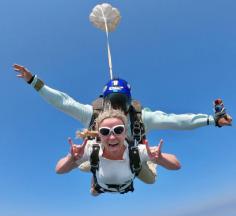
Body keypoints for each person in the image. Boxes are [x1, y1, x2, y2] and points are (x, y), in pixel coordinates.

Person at [13, 64, 232, 183]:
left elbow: (177, 121)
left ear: (128, 102)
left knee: (150, 180)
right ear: (104, 101)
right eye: (112, 102)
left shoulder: (142, 117)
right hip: (102, 154)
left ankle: (144, 164)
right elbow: (63, 102)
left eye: (121, 102)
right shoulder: (93, 115)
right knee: (84, 165)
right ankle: (98, 181)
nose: (116, 107)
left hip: (132, 157)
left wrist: (212, 120)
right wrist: (34, 82)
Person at [55, 109, 180, 195]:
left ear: (125, 132)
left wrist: (160, 159)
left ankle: (148, 162)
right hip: (102, 183)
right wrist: (71, 158)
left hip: (130, 168)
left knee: (151, 180)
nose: (112, 137)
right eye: (105, 132)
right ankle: (95, 171)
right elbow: (59, 170)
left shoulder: (136, 151)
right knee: (92, 189)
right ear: (99, 135)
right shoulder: (90, 148)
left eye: (118, 130)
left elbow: (176, 165)